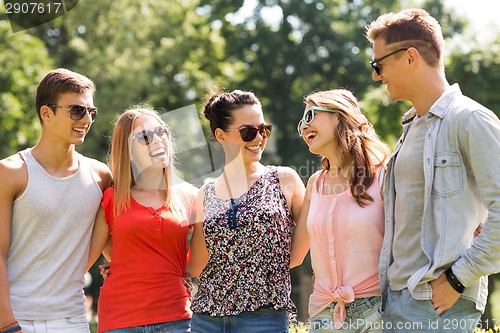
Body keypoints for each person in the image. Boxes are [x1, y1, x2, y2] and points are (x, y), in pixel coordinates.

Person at [365, 8, 500, 332]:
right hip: (398, 300)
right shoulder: (411, 127)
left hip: (438, 306)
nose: (376, 76)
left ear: (410, 57)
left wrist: (458, 278)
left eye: (379, 64)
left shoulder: (468, 119)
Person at [0, 68, 112, 333]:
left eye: (91, 112)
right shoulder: (11, 173)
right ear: (46, 113)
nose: (86, 119)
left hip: (72, 319)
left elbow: (113, 237)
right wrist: (6, 322)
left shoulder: (101, 177)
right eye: (77, 110)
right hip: (17, 318)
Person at [185, 89, 305, 333]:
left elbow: (299, 254)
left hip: (265, 318)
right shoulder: (205, 193)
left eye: (264, 129)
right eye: (248, 131)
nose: (259, 138)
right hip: (206, 319)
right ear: (221, 135)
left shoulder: (284, 179)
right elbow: (195, 264)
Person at [87, 106, 197, 333]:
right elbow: (92, 257)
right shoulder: (112, 198)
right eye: (145, 137)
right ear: (127, 150)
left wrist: (180, 271)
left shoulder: (190, 196)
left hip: (177, 317)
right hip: (120, 320)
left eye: (162, 131)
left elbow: (205, 255)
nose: (157, 140)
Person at [290, 89, 391, 332]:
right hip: (323, 315)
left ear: (338, 116)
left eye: (310, 115)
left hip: (376, 312)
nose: (304, 127)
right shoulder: (315, 183)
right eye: (301, 122)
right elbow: (293, 255)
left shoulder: (384, 174)